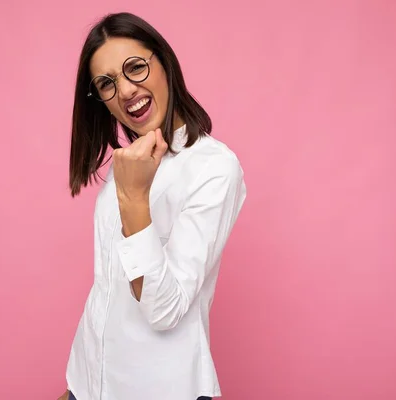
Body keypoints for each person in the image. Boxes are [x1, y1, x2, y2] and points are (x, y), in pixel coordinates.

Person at [60, 12, 247, 400]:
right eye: (107, 84)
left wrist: (133, 200)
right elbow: (107, 290)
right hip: (91, 383)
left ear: (164, 62)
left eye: (135, 67)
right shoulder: (126, 164)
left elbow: (163, 310)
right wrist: (78, 383)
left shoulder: (213, 167)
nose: (126, 90)